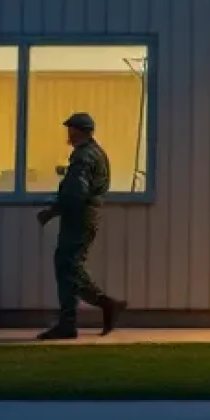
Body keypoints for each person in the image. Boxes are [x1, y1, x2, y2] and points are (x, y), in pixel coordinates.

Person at [35, 111, 125, 340]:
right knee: (69, 266)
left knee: (68, 265)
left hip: (79, 217)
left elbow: (76, 192)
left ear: (80, 131)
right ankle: (77, 317)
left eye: (71, 129)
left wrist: (52, 211)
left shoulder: (84, 156)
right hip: (85, 216)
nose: (69, 134)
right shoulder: (96, 154)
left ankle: (96, 307)